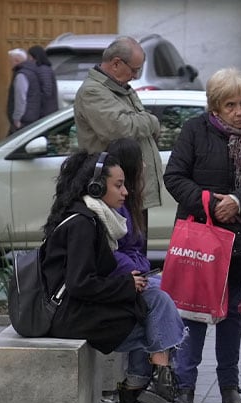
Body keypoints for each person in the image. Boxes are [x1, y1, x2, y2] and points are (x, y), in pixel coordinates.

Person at [40, 152, 186, 403]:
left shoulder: (93, 217)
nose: (126, 191)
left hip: (78, 309)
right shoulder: (83, 223)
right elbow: (79, 283)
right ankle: (147, 390)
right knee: (154, 314)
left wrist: (128, 281)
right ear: (95, 186)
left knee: (155, 306)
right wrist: (125, 285)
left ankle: (150, 388)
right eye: (118, 185)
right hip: (68, 317)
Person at [164, 68, 241, 403]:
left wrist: (238, 201)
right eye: (231, 104)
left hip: (239, 241)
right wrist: (209, 203)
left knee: (231, 312)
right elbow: (174, 177)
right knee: (192, 312)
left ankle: (229, 386)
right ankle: (185, 387)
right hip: (201, 238)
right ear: (215, 107)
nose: (240, 111)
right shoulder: (195, 130)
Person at [104, 137, 194, 403]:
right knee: (157, 302)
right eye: (140, 160)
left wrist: (139, 268)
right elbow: (111, 252)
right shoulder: (113, 206)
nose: (145, 165)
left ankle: (141, 393)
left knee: (161, 302)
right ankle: (159, 378)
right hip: (114, 284)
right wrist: (133, 270)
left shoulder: (128, 203)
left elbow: (133, 250)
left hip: (130, 276)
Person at [74, 36, 164, 248]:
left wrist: (144, 123)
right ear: (116, 64)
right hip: (113, 193)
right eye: (134, 70)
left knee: (138, 255)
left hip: (133, 190)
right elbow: (121, 129)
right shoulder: (93, 91)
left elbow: (135, 124)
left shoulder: (122, 89)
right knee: (125, 257)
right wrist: (151, 121)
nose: (135, 76)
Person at [7, 48, 41, 134]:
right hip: (31, 116)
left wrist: (17, 119)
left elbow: (21, 98)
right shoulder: (32, 71)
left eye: (10, 61)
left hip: (23, 120)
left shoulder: (21, 75)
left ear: (16, 60)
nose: (9, 63)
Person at [27, 45, 59, 117]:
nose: (29, 59)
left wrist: (34, 98)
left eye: (29, 56)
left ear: (35, 56)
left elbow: (47, 91)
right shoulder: (41, 68)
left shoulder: (43, 69)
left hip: (45, 110)